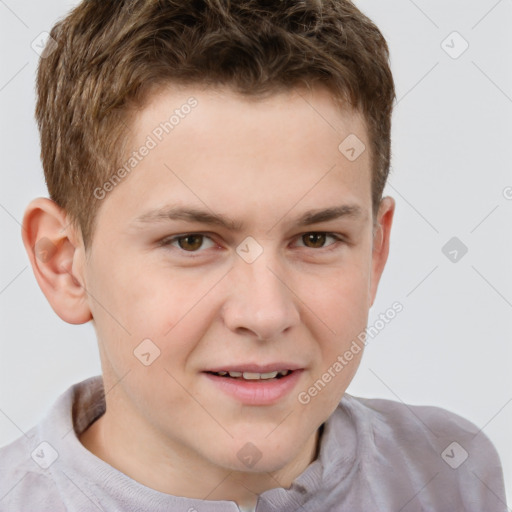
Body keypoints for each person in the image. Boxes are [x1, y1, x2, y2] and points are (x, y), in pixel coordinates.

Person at [0, 0, 507, 511]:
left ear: (375, 252)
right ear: (64, 264)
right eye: (191, 241)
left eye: (316, 239)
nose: (266, 313)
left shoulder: (450, 474)